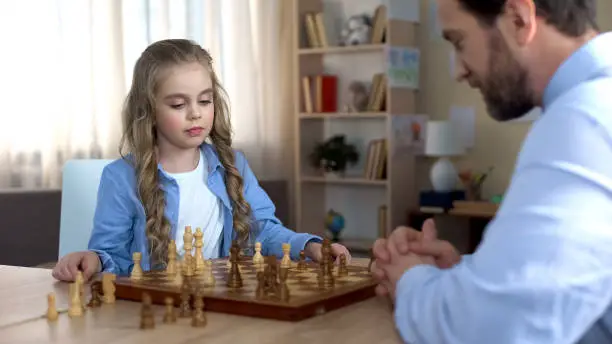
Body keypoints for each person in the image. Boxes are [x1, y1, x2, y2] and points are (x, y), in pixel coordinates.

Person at [372, 0, 612, 343]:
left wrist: (411, 279)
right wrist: (468, 278)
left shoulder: (583, 119)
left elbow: (498, 329)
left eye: (458, 41)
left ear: (518, 18)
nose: (458, 71)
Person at [53, 39, 350, 282]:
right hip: (154, 306)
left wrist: (309, 246)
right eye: (179, 104)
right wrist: (92, 259)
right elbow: (112, 255)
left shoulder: (233, 164)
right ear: (149, 109)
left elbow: (264, 230)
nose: (195, 113)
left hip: (215, 299)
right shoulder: (120, 177)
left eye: (205, 101)